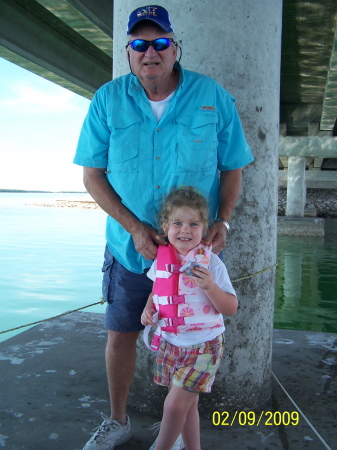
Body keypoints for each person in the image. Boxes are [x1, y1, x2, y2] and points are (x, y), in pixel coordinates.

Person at [73, 4, 253, 449]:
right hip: (128, 248)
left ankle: (175, 426)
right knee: (121, 334)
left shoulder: (212, 96)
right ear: (129, 53)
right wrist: (134, 226)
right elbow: (91, 175)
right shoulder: (107, 100)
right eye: (138, 44)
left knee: (191, 335)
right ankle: (117, 421)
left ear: (175, 49)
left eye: (159, 43)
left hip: (194, 255)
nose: (148, 51)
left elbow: (232, 167)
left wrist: (223, 219)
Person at [141, 187, 238, 450]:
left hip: (203, 346)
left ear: (205, 228)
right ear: (165, 226)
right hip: (171, 343)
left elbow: (230, 307)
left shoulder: (213, 264)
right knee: (188, 406)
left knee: (174, 406)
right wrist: (148, 309)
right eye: (177, 223)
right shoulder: (161, 261)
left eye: (194, 224)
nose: (185, 230)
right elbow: (157, 291)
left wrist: (210, 287)